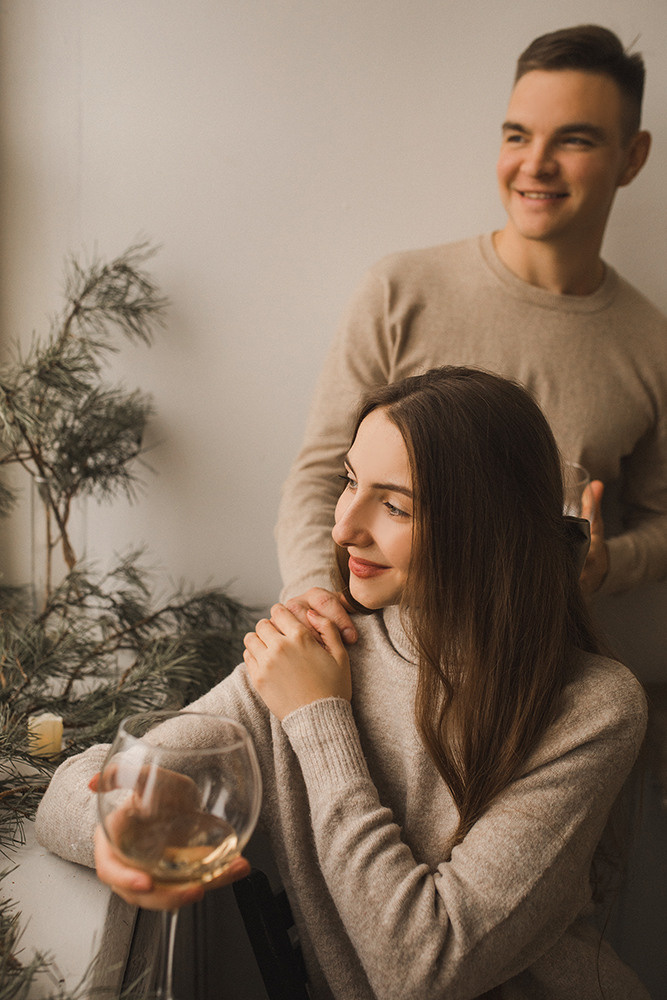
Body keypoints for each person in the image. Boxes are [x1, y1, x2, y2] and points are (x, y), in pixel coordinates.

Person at [36, 367, 649, 999]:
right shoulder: (314, 656)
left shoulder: (592, 707)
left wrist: (319, 718)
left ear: (486, 529)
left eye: (394, 505)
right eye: (349, 482)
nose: (343, 527)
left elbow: (424, 967)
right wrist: (117, 831)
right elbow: (73, 788)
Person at [275, 24, 667, 645]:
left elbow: (661, 519)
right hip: (363, 655)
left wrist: (608, 563)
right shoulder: (399, 290)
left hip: (535, 676)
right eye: (518, 135)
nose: (535, 164)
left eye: (574, 140)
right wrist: (309, 598)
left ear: (633, 156)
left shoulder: (652, 344)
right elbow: (322, 469)